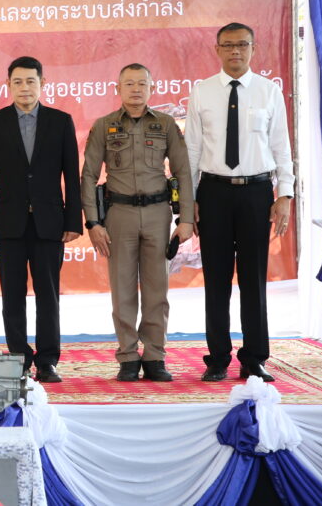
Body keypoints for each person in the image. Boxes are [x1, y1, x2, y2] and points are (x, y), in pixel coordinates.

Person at [185, 22, 294, 383]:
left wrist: (285, 194)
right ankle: (217, 358)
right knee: (215, 279)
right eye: (228, 45)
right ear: (217, 49)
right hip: (213, 193)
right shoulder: (202, 92)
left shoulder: (268, 91)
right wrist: (189, 199)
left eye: (242, 45)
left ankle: (254, 358)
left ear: (253, 49)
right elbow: (192, 149)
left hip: (256, 193)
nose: (235, 51)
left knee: (253, 280)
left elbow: (281, 147)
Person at [81, 63, 194, 382]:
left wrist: (186, 219)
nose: (135, 89)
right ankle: (128, 356)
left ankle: (155, 355)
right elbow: (88, 175)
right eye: (129, 84)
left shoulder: (166, 124)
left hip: (158, 214)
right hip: (119, 215)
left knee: (158, 289)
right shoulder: (104, 125)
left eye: (142, 84)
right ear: (118, 89)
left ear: (151, 89)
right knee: (123, 289)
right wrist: (93, 222)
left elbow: (183, 171)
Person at [0, 56, 81, 383]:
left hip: (50, 222)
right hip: (8, 224)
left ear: (42, 83)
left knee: (48, 295)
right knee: (12, 295)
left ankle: (48, 361)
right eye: (18, 81)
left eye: (31, 81)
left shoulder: (61, 121)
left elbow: (71, 175)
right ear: (8, 85)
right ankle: (19, 359)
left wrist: (73, 221)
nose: (24, 87)